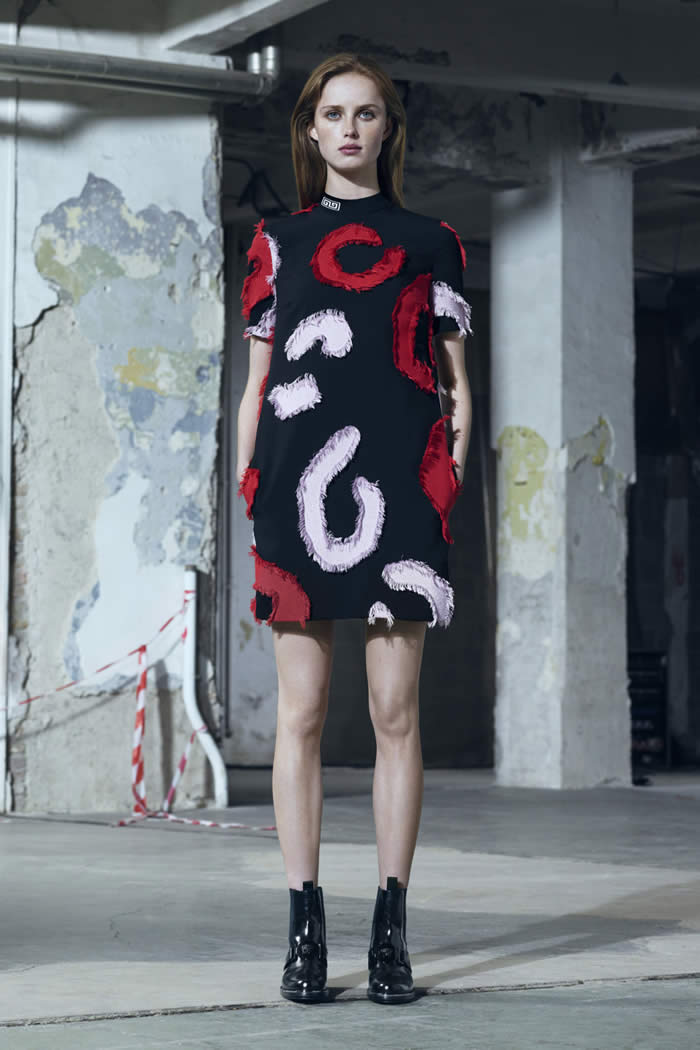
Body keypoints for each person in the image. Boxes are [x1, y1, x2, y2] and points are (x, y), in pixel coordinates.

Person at [236, 51, 472, 1005]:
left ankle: (391, 930)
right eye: (332, 113)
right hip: (295, 489)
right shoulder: (277, 242)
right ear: (309, 129)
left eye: (366, 113)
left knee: (393, 712)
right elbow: (257, 385)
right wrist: (250, 488)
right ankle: (304, 928)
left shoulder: (431, 241)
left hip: (402, 491)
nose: (348, 129)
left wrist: (446, 483)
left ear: (387, 130)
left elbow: (458, 390)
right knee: (299, 713)